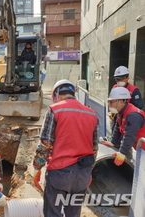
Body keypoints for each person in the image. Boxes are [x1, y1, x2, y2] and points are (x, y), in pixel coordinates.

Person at [33, 79, 98, 217]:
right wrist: (89, 172)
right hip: (82, 174)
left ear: (56, 94)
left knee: (53, 213)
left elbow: (46, 144)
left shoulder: (55, 110)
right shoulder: (91, 114)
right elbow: (94, 148)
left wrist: (37, 167)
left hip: (59, 174)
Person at [106, 87, 145, 166]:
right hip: (140, 148)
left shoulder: (133, 115)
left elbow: (129, 135)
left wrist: (122, 153)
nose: (109, 105)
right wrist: (113, 142)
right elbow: (118, 126)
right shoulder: (121, 112)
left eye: (111, 102)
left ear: (120, 102)